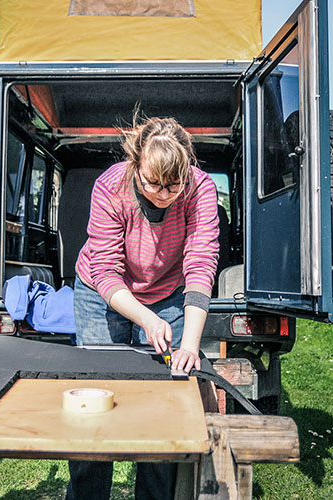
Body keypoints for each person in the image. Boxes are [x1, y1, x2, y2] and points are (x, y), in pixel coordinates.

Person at [66, 116, 220, 500]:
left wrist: (188, 344)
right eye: (153, 183)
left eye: (174, 185)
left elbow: (200, 266)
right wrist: (146, 318)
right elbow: (104, 271)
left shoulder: (200, 190)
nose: (164, 194)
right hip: (101, 291)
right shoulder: (110, 187)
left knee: (163, 401)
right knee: (95, 397)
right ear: (135, 165)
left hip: (167, 290)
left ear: (187, 171)